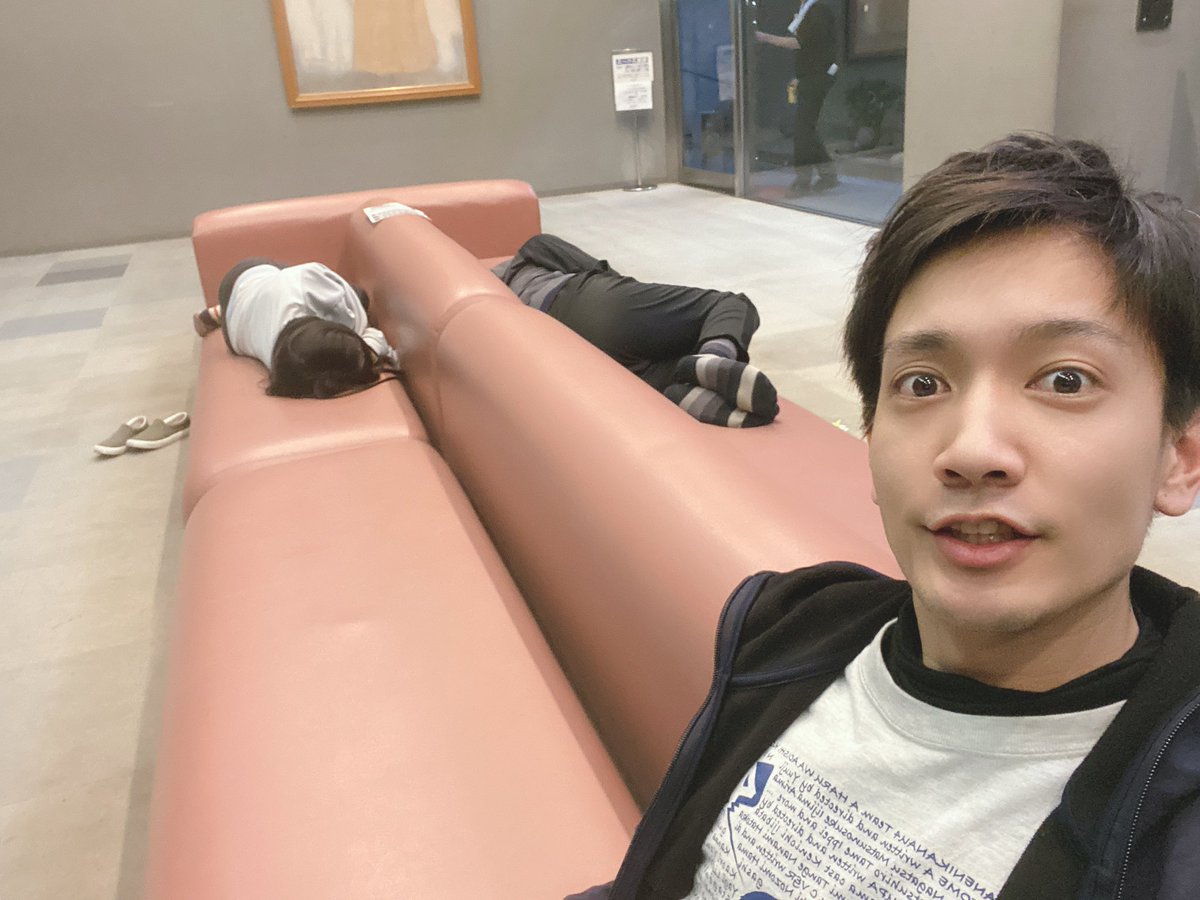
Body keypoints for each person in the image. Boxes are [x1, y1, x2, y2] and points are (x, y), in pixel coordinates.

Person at [569, 133, 1200, 898]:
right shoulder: (790, 635)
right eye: (922, 384)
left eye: (1065, 380)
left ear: (1180, 456)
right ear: (871, 439)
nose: (972, 451)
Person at [493, 233, 779, 428]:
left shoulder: (491, 297)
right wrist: (639, 299)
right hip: (585, 301)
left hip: (570, 352)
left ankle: (689, 390)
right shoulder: (530, 251)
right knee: (730, 304)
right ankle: (714, 358)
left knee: (666, 363)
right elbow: (598, 269)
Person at [193, 259, 400, 399]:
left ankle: (222, 311)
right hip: (238, 314)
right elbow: (375, 337)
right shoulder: (283, 362)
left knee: (356, 297)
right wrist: (369, 351)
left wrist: (366, 349)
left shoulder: (287, 361)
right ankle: (222, 312)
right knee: (360, 296)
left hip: (245, 286)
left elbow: (369, 337)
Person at [756, 0, 839, 192]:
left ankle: (804, 179)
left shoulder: (817, 11)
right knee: (806, 129)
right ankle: (827, 174)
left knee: (802, 130)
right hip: (811, 76)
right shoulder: (810, 10)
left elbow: (800, 42)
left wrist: (765, 37)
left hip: (817, 77)